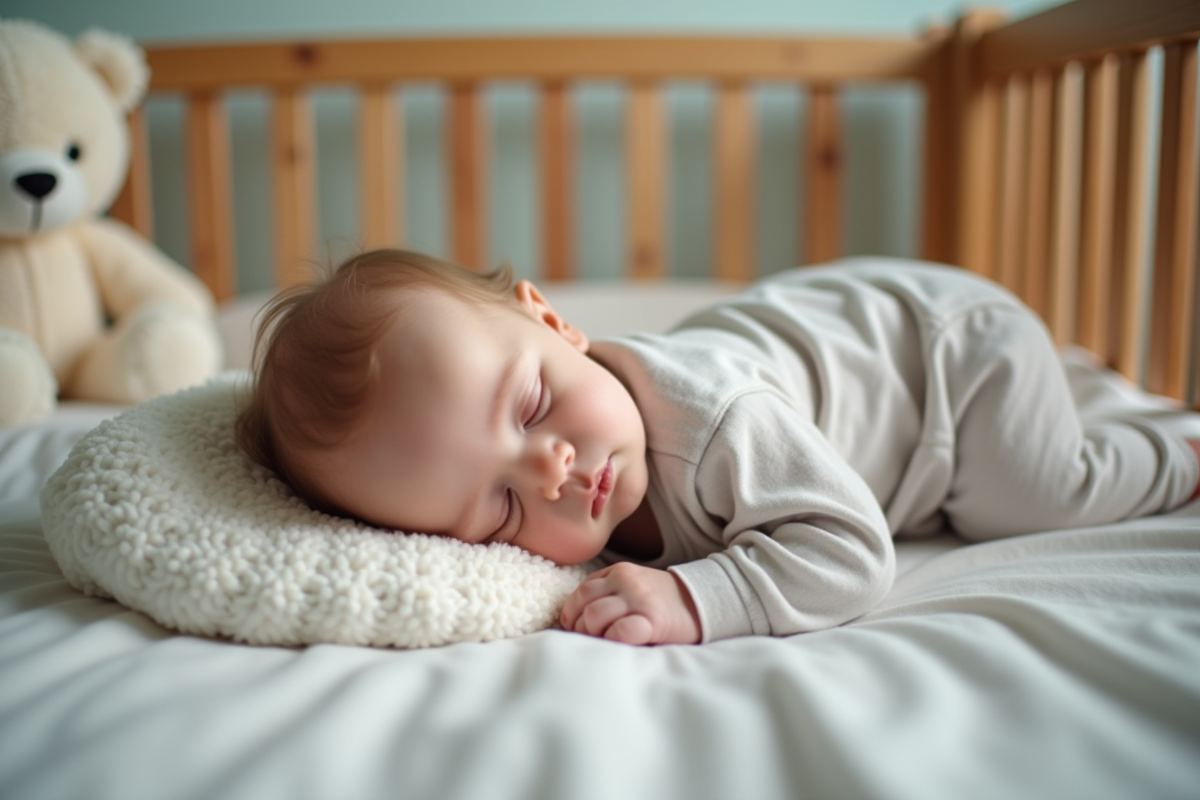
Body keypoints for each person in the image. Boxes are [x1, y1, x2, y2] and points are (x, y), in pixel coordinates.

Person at [236, 249, 1200, 646]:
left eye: (532, 404)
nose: (550, 471)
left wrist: (703, 595)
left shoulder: (718, 423)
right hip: (875, 347)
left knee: (1029, 495)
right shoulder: (566, 480)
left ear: (555, 321)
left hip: (948, 356)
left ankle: (1178, 448)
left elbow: (855, 552)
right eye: (494, 510)